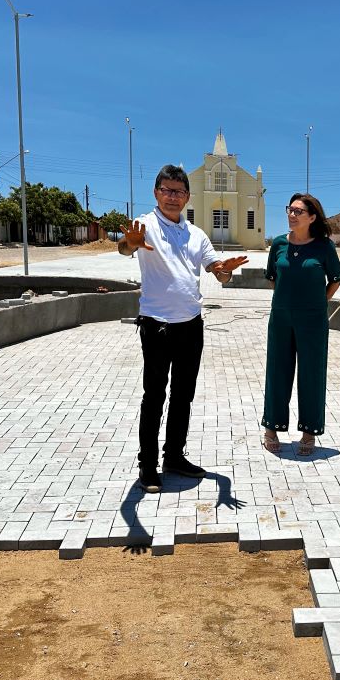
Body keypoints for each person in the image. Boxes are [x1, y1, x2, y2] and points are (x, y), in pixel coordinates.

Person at [118, 164, 248, 494]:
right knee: (154, 395)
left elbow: (216, 270)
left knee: (183, 396)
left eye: (178, 192)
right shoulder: (145, 226)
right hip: (156, 326)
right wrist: (129, 244)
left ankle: (174, 457)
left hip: (191, 325)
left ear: (187, 196)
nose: (172, 197)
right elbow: (125, 247)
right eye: (166, 190)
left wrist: (225, 272)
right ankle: (148, 466)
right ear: (156, 193)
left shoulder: (196, 234)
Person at [261, 193, 340, 456]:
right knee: (277, 372)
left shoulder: (324, 247)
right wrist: (287, 301)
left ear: (312, 217)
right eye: (290, 209)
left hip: (313, 321)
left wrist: (318, 302)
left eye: (298, 211)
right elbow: (273, 277)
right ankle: (271, 427)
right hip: (281, 318)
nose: (292, 215)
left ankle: (309, 432)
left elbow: (336, 279)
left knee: (311, 374)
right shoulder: (278, 245)